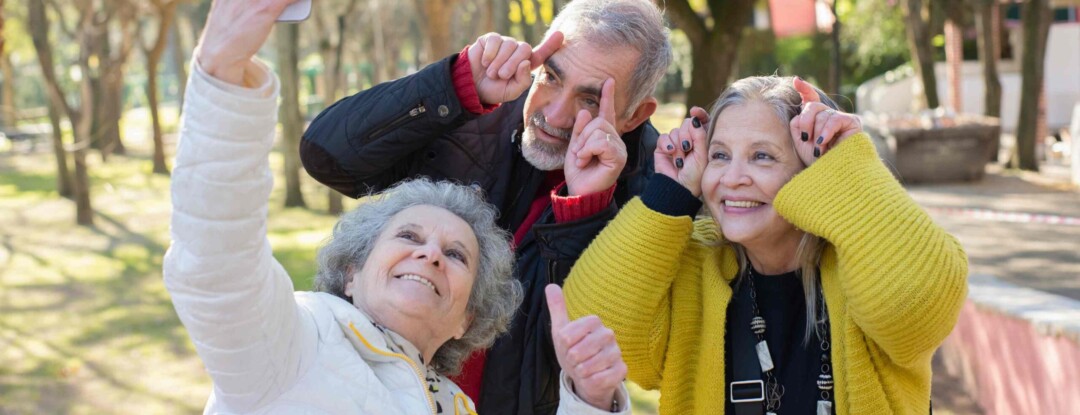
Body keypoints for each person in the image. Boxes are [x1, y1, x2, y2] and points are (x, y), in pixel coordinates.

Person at [164, 0, 631, 412]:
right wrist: (222, 72)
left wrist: (592, 402)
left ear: (468, 318)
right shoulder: (293, 346)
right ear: (351, 273)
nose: (429, 255)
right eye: (408, 236)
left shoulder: (455, 406)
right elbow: (215, 264)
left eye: (456, 255)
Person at [300, 0, 671, 413]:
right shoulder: (475, 108)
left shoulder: (657, 195)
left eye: (589, 100)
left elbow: (584, 347)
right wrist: (456, 85)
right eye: (550, 75)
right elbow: (326, 156)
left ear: (635, 116)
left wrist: (583, 210)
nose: (554, 113)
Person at [562, 76, 969, 414]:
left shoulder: (866, 264)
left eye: (762, 156)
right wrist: (669, 193)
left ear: (813, 169)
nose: (732, 177)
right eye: (720, 155)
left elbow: (917, 307)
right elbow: (595, 324)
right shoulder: (696, 264)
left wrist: (848, 166)